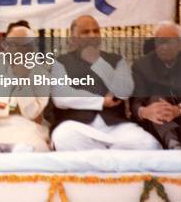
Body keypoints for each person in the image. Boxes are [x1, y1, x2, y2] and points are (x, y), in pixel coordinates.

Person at [50, 15, 160, 151]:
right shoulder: (60, 63)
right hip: (76, 125)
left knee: (148, 144)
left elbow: (124, 90)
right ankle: (111, 157)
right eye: (85, 32)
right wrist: (101, 101)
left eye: (96, 31)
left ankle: (100, 157)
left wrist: (98, 62)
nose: (92, 35)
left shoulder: (117, 60)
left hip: (115, 126)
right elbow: (61, 97)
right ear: (73, 38)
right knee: (64, 138)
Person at [131, 21, 181, 149]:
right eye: (160, 42)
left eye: (169, 41)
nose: (164, 47)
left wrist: (178, 110)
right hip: (155, 123)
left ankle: (173, 144)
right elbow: (135, 103)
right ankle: (173, 144)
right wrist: (145, 112)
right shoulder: (141, 66)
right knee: (156, 100)